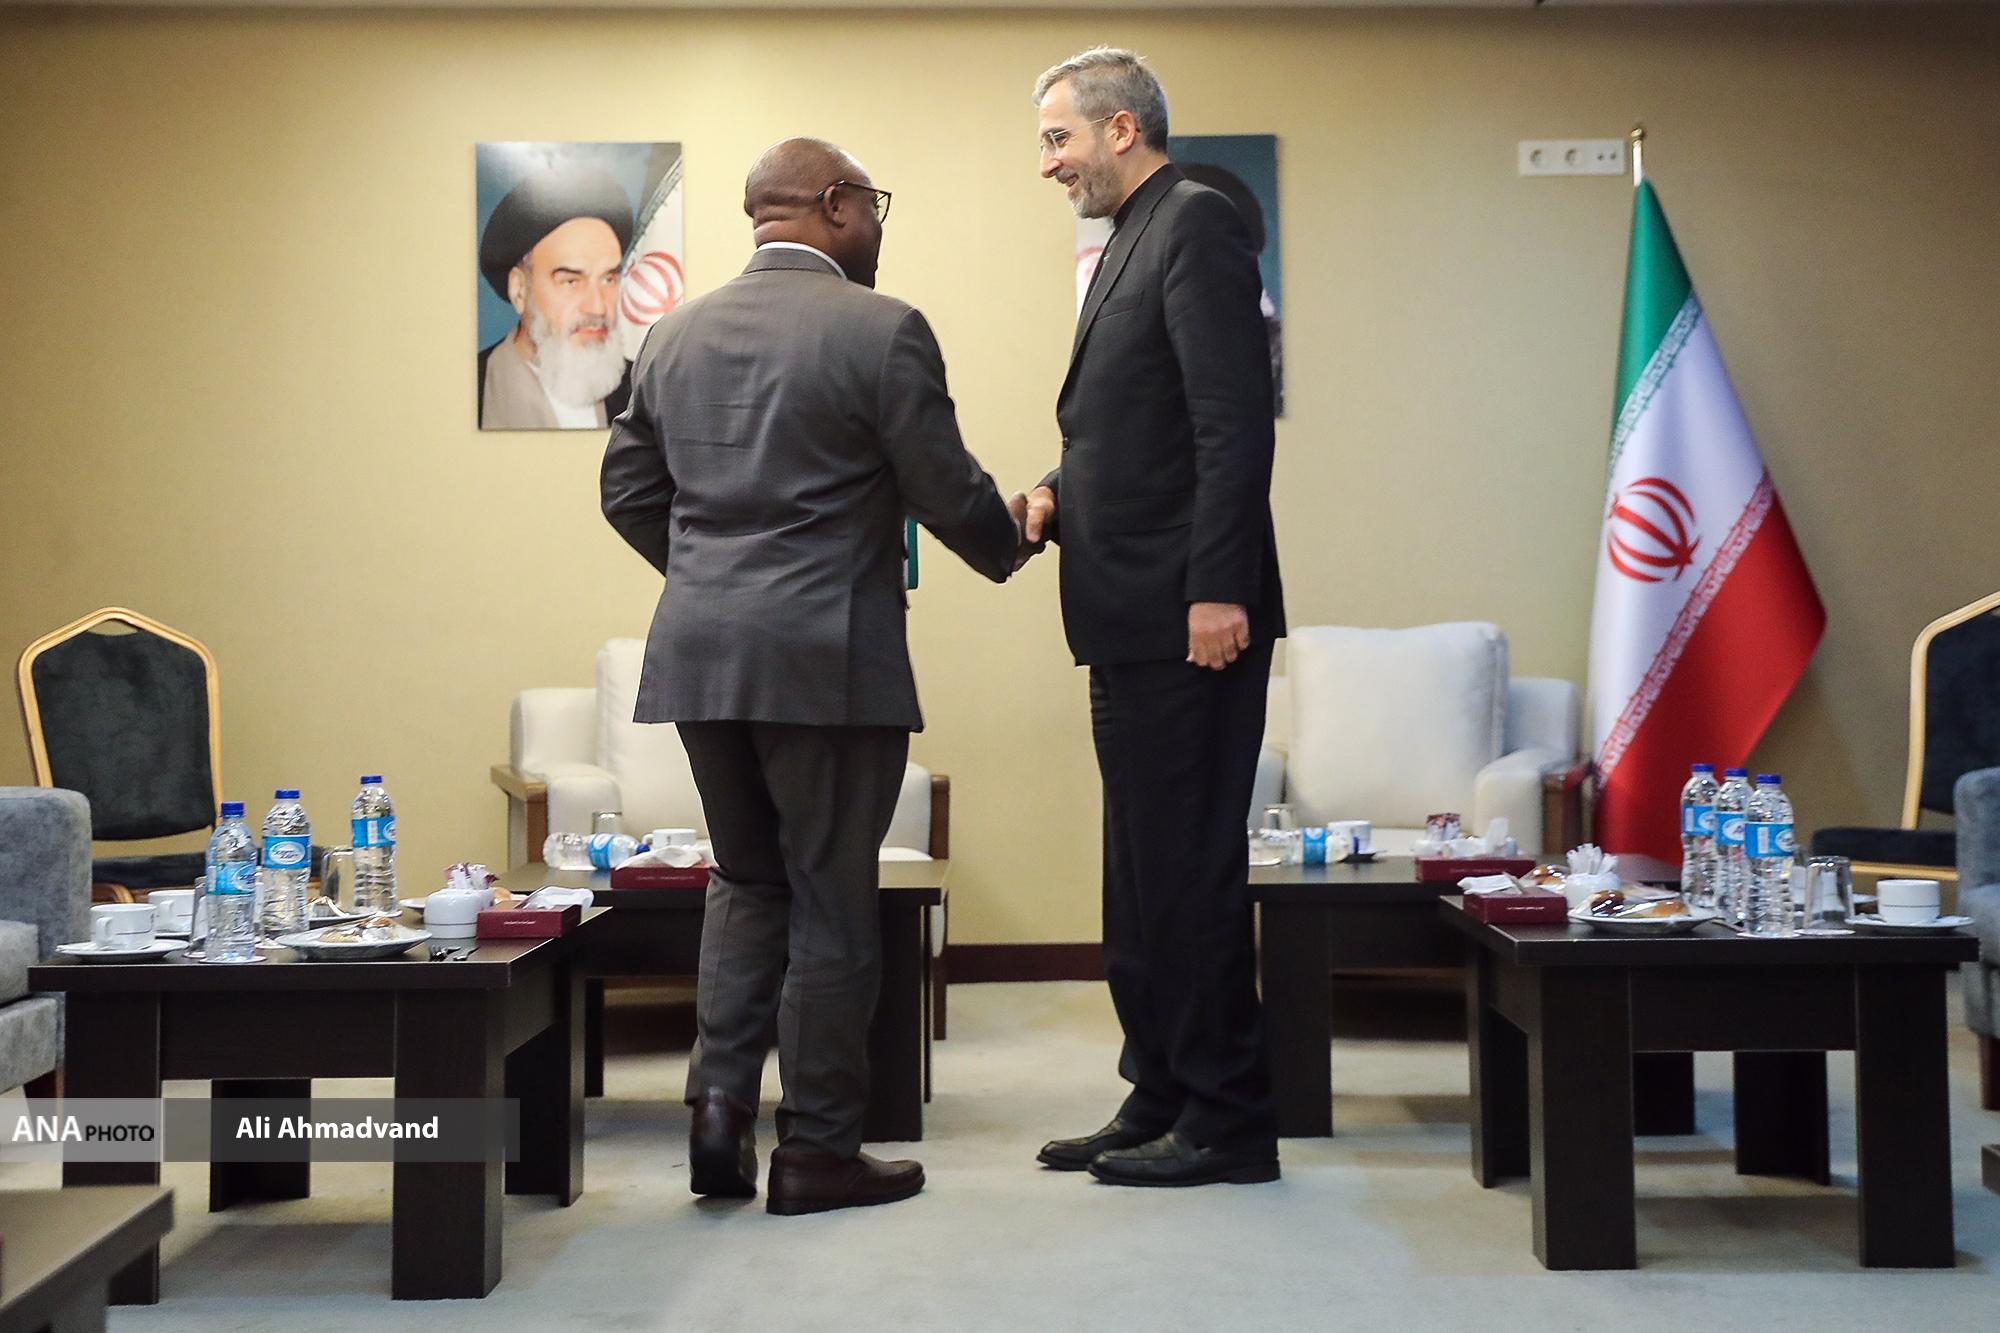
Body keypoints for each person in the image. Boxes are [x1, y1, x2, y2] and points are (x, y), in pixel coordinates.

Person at [601, 137, 1023, 1215]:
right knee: (832, 898)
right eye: (871, 204)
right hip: (828, 661)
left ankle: (717, 1112)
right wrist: (1014, 533)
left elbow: (627, 493)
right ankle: (817, 1151)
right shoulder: (882, 329)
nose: (877, 224)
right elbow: (944, 486)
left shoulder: (671, 335)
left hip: (700, 655)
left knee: (746, 880)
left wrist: (716, 584)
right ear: (834, 204)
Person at [1019, 47, 1287, 1188]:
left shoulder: (1197, 220)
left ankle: (1228, 1120)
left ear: (1121, 128)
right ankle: (1161, 1091)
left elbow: (1231, 423)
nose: (1048, 164)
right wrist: (1053, 491)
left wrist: (1216, 588)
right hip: (1125, 612)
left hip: (1189, 615)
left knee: (1187, 871)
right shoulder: (1134, 232)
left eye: (1057, 139)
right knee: (1137, 876)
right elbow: (1134, 425)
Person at [478, 166, 634, 429]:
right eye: (571, 282)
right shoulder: (472, 387)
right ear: (519, 290)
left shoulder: (642, 388)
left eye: (609, 279)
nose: (597, 307)